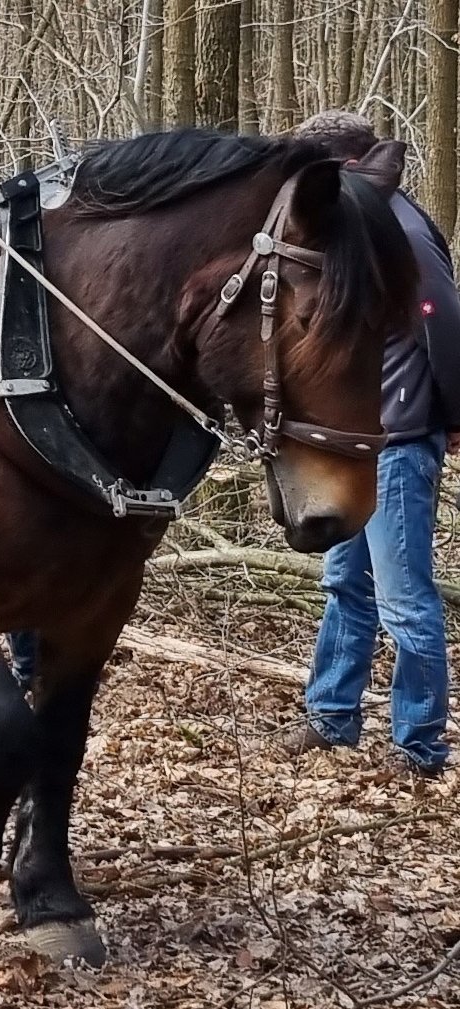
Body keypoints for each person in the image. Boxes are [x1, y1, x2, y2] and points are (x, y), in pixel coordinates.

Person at [278, 110, 460, 778]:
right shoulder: (361, 223)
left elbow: (443, 323)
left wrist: (449, 413)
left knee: (404, 597)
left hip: (401, 439)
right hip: (355, 438)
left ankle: (419, 744)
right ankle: (332, 714)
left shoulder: (403, 229)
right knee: (343, 581)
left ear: (346, 168)